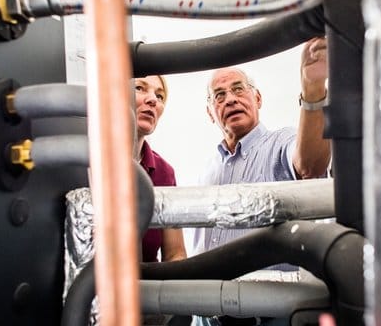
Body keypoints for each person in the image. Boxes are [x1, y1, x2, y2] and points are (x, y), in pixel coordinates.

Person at [192, 37, 331, 325]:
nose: (230, 98)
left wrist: (313, 90)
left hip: (270, 317)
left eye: (238, 89)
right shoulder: (207, 170)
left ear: (257, 99)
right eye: (219, 95)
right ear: (210, 114)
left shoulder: (281, 142)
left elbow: (311, 166)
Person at [134, 75, 187, 263]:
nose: (153, 100)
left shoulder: (164, 172)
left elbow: (175, 254)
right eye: (140, 88)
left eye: (160, 95)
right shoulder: (86, 160)